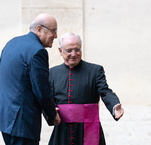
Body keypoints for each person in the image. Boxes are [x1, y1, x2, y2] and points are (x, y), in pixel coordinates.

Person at [48, 33, 124, 145]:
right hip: (62, 131)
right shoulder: (52, 73)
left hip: (89, 129)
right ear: (60, 51)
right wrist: (50, 111)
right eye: (69, 50)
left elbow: (105, 91)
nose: (73, 54)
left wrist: (114, 105)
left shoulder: (95, 70)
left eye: (77, 49)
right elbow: (48, 98)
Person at [0, 13, 61, 145]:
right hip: (23, 124)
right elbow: (42, 91)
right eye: (53, 31)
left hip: (6, 120)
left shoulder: (11, 43)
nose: (56, 36)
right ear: (39, 29)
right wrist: (53, 115)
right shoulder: (38, 51)